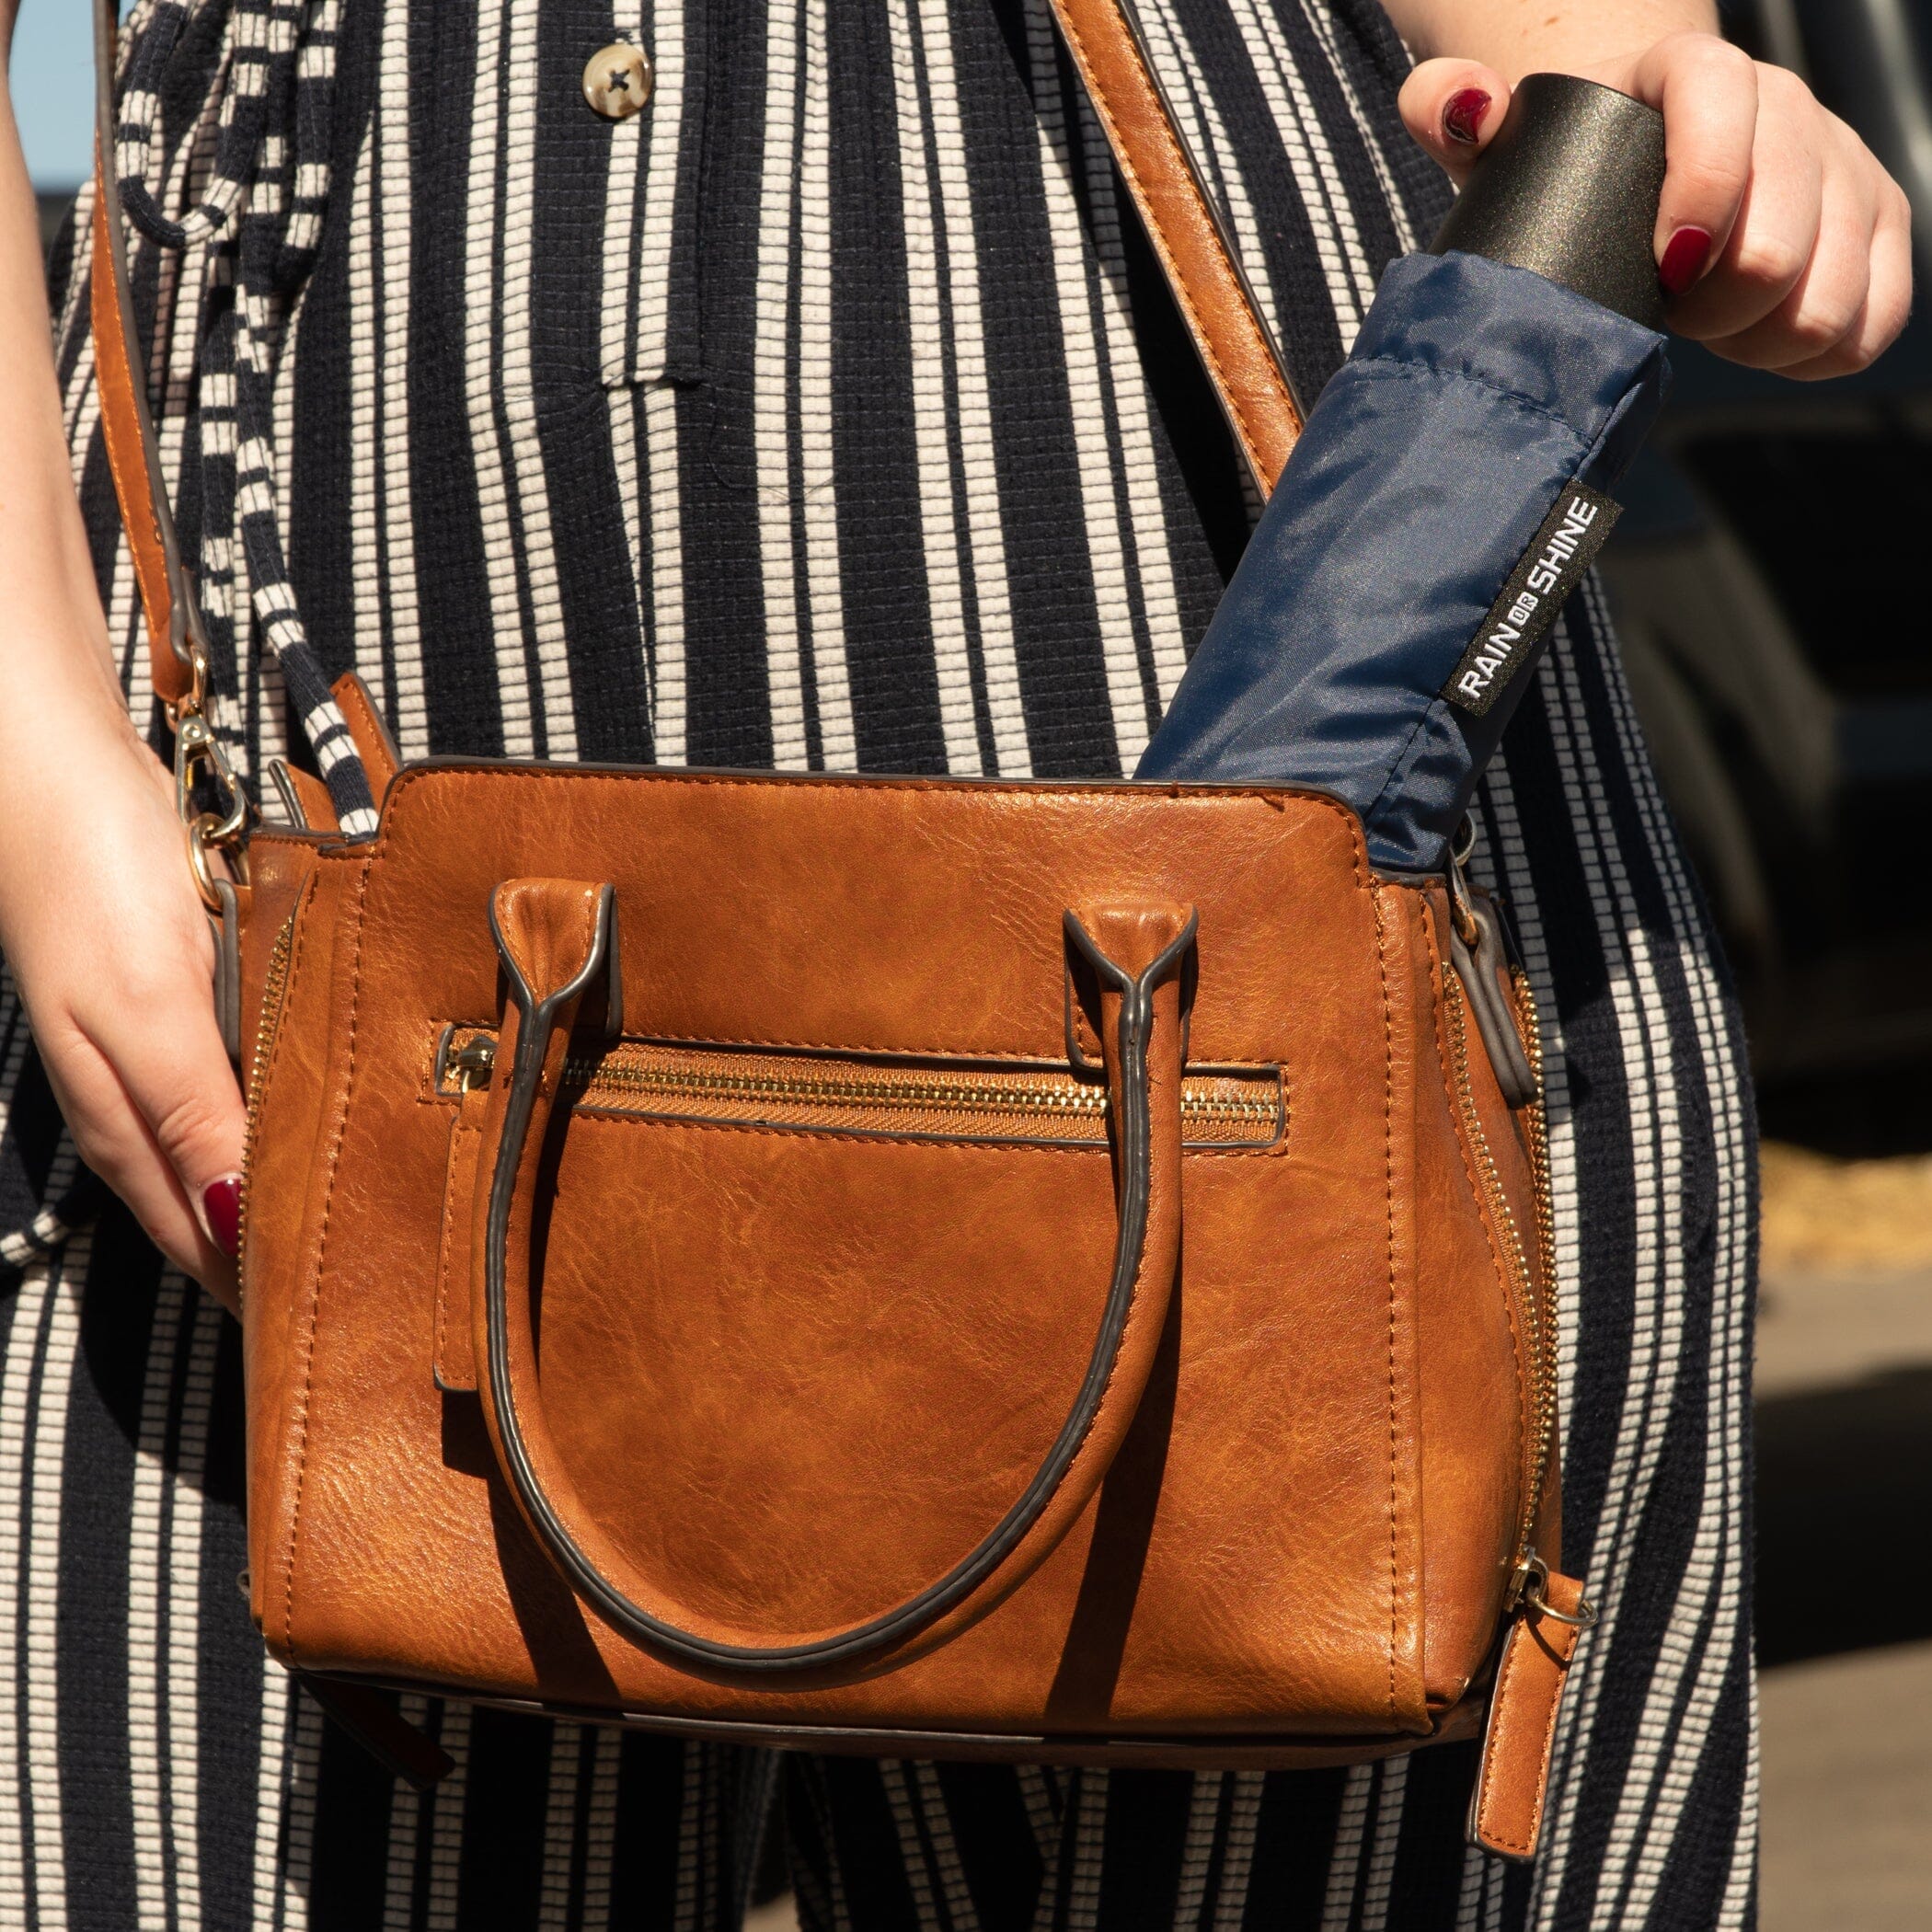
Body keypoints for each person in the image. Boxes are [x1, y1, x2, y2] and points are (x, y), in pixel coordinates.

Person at [0, 0, 1906, 1925]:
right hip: (273, 633)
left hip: (1206, 525)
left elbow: (1566, 48)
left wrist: (1637, 69)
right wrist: (34, 761)